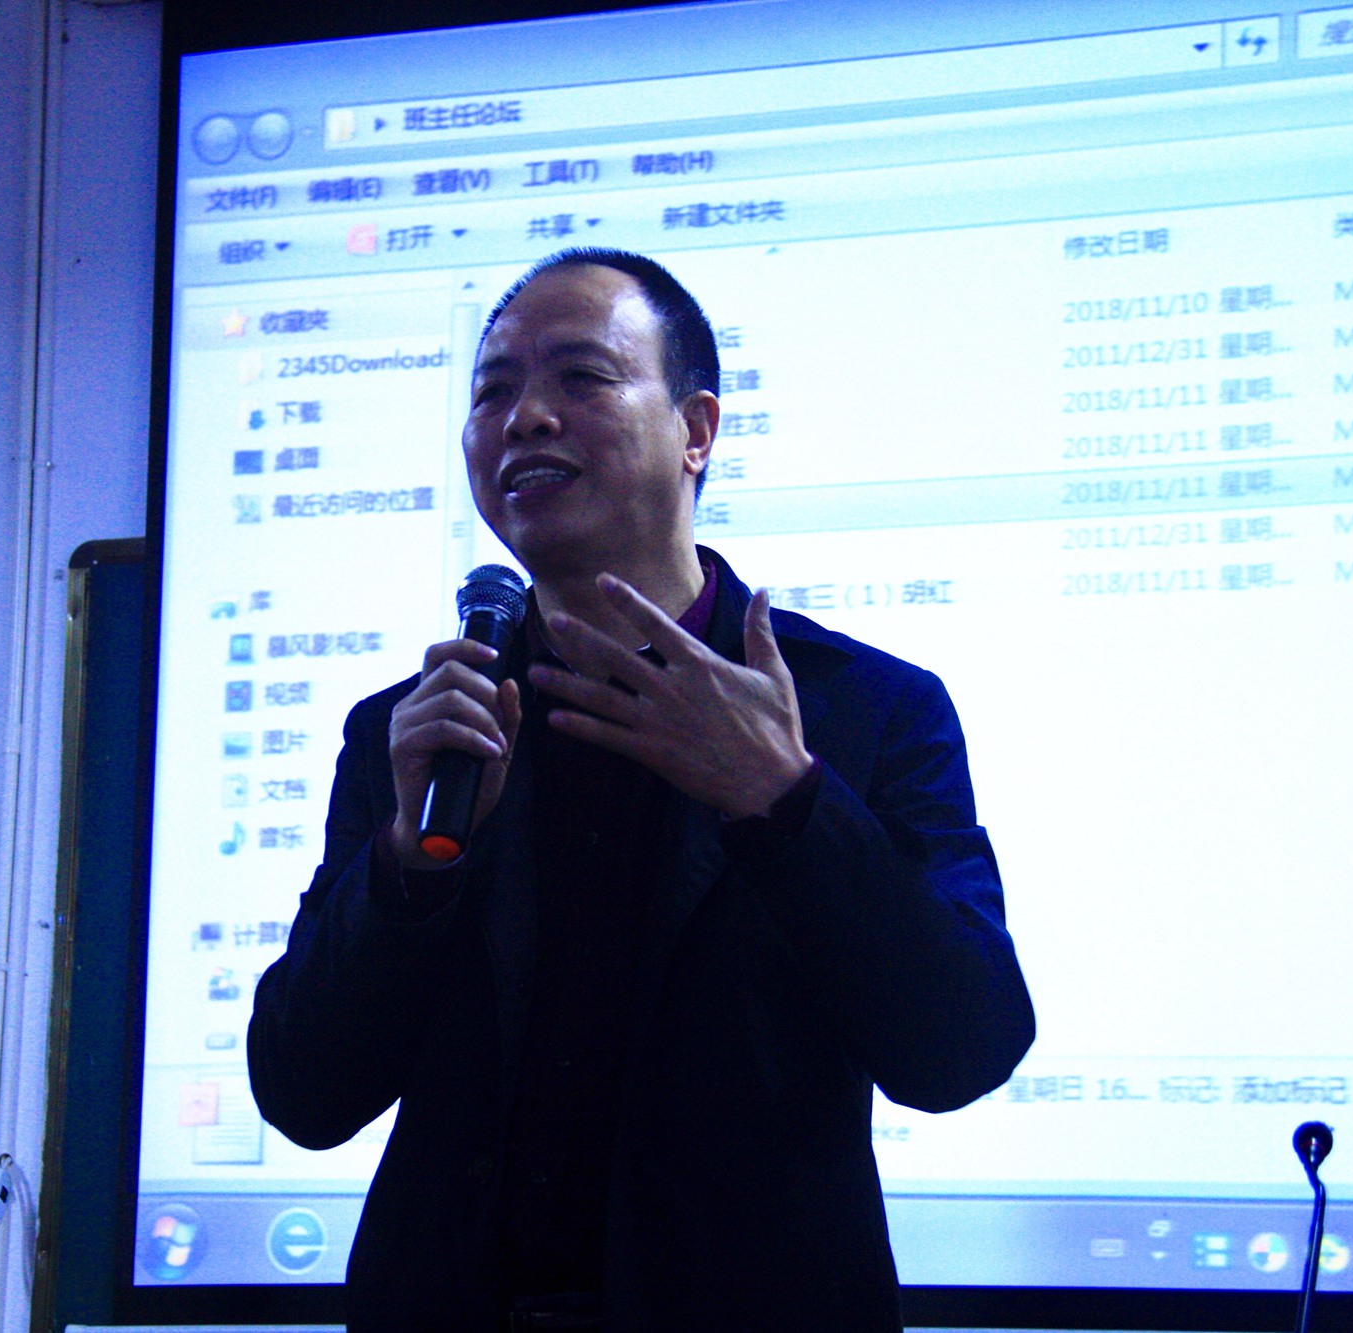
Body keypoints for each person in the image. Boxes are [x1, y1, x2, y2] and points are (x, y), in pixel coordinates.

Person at [249, 248, 1034, 1332]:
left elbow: (962, 1049)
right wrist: (404, 869)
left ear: (695, 430)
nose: (525, 417)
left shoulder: (865, 709)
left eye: (580, 377)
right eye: (492, 391)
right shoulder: (416, 730)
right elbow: (303, 1093)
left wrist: (785, 799)